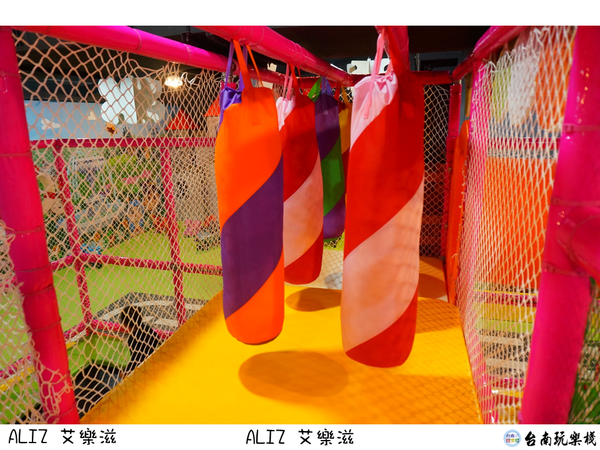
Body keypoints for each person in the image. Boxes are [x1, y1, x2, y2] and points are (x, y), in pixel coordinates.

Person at [120, 305, 162, 376]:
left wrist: (125, 371)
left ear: (124, 323)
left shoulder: (132, 338)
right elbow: (157, 338)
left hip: (146, 369)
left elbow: (135, 360)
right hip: (155, 360)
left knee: (122, 375)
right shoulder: (147, 328)